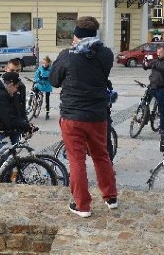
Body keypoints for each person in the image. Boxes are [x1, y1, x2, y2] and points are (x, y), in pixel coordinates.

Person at [49, 16, 118, 217]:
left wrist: (70, 53)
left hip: (73, 116)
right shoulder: (105, 54)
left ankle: (82, 205)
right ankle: (111, 197)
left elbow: (54, 80)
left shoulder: (67, 56)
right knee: (101, 155)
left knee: (76, 161)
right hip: (97, 115)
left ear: (76, 35)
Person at [144, 45, 164, 135]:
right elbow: (146, 67)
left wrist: (154, 66)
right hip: (151, 86)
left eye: (160, 52)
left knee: (162, 109)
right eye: (158, 52)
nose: (159, 54)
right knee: (144, 102)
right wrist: (145, 63)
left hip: (161, 88)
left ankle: (161, 127)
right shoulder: (155, 61)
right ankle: (144, 117)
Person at [33, 56, 54, 120]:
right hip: (40, 84)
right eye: (43, 63)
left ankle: (47, 112)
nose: (44, 64)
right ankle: (35, 104)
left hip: (47, 85)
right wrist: (37, 79)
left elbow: (53, 77)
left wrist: (49, 78)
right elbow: (36, 76)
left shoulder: (51, 69)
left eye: (45, 63)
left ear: (48, 63)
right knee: (35, 90)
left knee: (47, 99)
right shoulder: (40, 68)